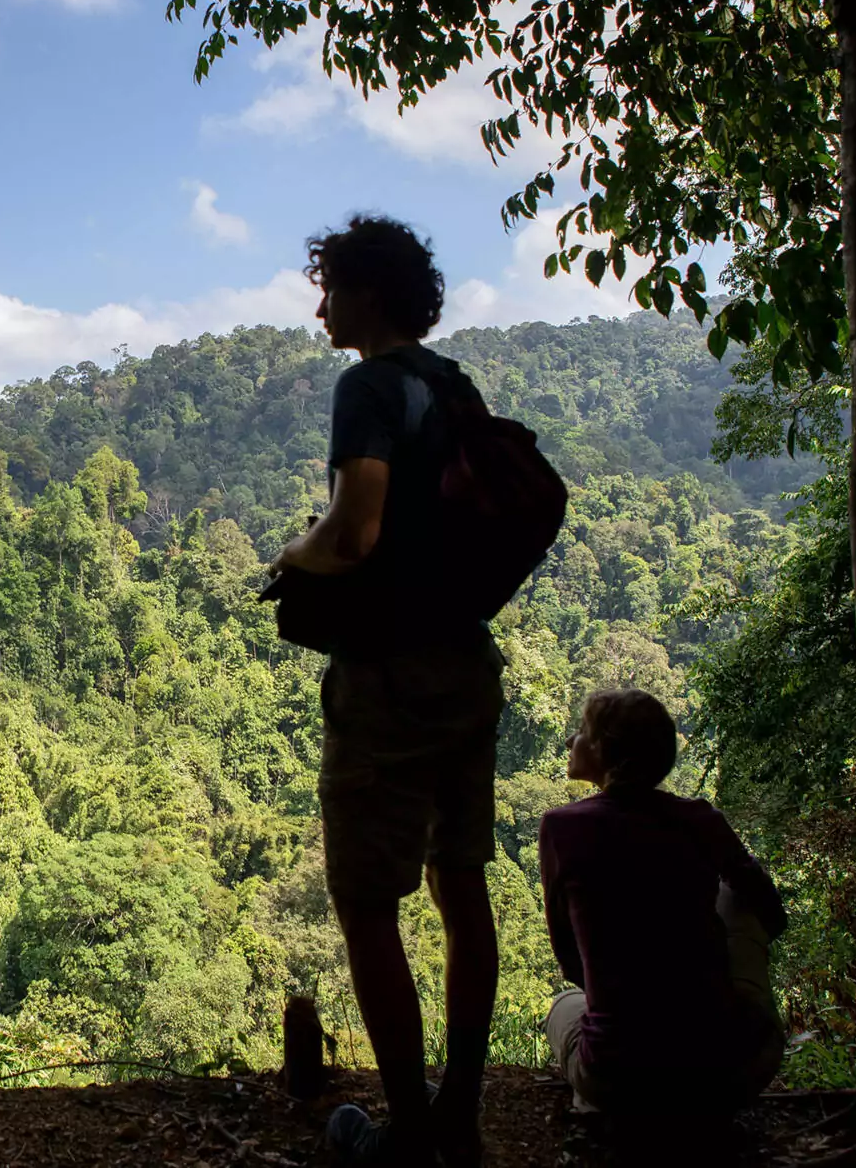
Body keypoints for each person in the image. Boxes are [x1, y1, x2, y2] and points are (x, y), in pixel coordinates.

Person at [271, 215, 505, 1167]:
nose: (322, 306)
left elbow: (356, 530)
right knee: (461, 885)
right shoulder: (454, 386)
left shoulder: (368, 385)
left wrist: (294, 549)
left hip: (390, 680)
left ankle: (411, 1132)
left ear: (368, 295)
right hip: (467, 669)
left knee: (368, 901)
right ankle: (461, 1112)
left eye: (331, 289)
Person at [538, 688, 788, 1117]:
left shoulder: (562, 828)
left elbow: (570, 961)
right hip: (725, 1071)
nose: (570, 741)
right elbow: (770, 910)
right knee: (737, 890)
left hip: (613, 1073)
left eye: (580, 732)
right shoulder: (699, 819)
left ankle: (603, 1103)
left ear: (603, 750)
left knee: (564, 1007)